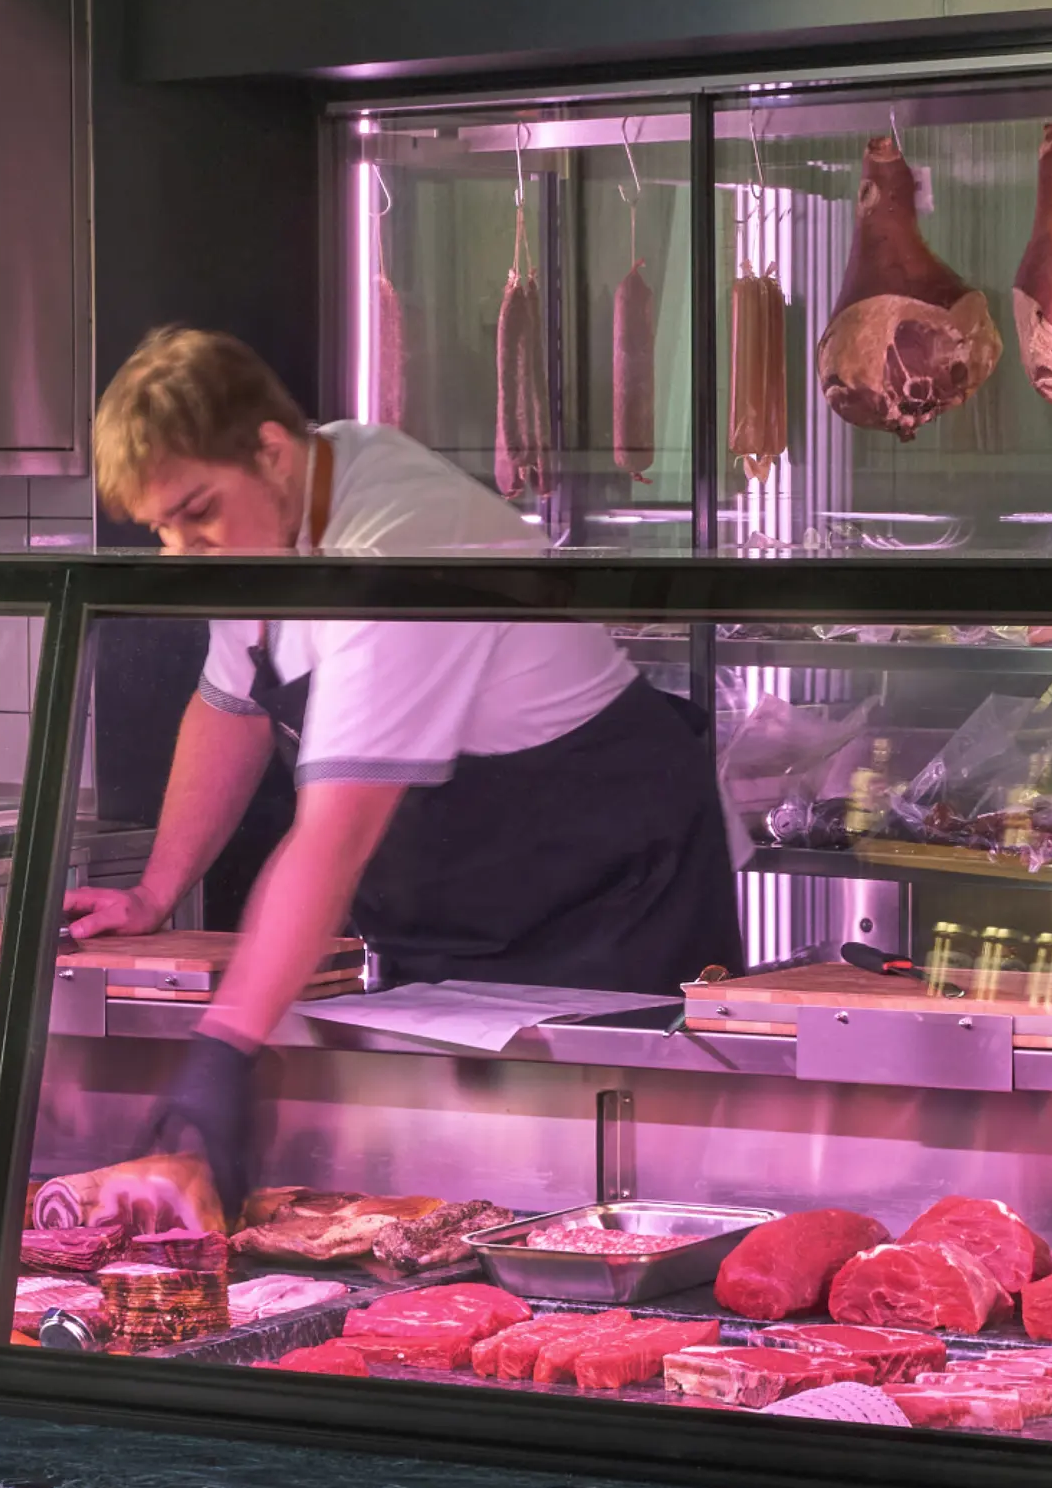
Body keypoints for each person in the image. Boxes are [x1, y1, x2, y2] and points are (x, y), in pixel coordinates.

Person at [71, 327, 739, 1192]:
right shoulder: (269, 524)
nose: (182, 552)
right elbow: (230, 703)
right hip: (465, 921)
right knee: (449, 1217)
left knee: (590, 1212)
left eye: (195, 513)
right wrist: (155, 892)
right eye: (163, 531)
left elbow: (333, 840)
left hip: (613, 915)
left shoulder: (397, 550)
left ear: (270, 450)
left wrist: (224, 1047)